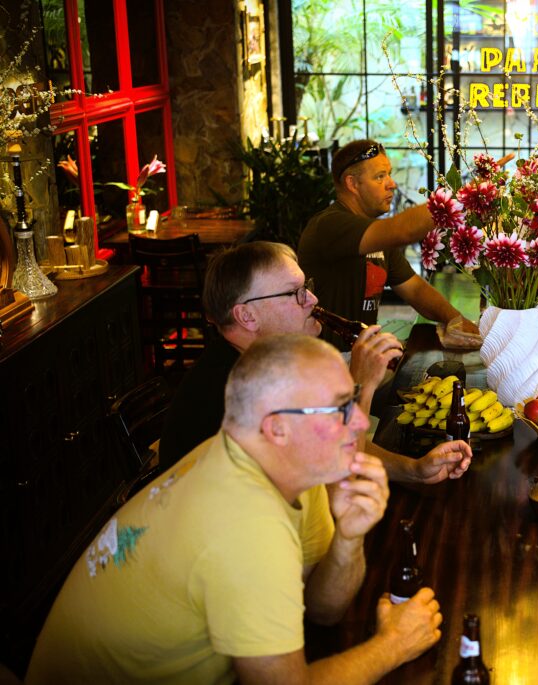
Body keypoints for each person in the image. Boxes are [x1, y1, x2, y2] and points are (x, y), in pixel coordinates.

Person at [27, 335, 445, 684]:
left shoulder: (258, 458)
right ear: (277, 427)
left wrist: (348, 539)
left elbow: (323, 611)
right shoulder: (246, 523)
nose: (358, 422)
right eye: (339, 409)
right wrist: (394, 644)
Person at [159, 241, 472, 484]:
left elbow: (326, 439)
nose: (312, 300)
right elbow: (334, 476)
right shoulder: (236, 393)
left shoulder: (266, 362)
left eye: (305, 287)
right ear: (247, 315)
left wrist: (415, 469)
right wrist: (360, 386)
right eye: (295, 293)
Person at [298, 139, 477, 343]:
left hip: (361, 353)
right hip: (326, 361)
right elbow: (404, 230)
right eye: (380, 176)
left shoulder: (375, 236)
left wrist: (455, 320)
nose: (392, 184)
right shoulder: (329, 225)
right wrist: (464, 197)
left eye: (389, 174)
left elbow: (416, 290)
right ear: (352, 184)